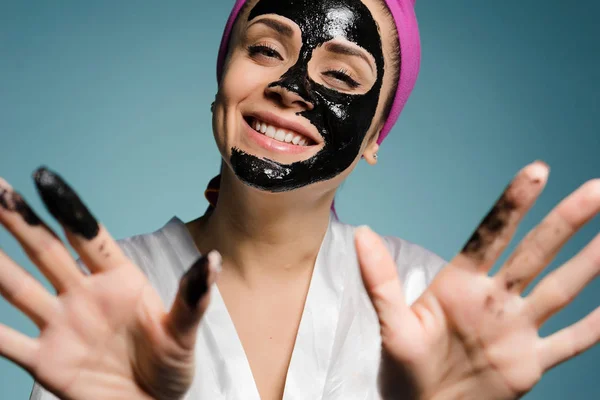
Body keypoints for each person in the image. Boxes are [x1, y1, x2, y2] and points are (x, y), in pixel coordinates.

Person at [0, 0, 597, 399]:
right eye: (265, 50)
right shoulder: (107, 295)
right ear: (221, 83)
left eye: (341, 77)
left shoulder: (430, 301)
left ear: (373, 135)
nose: (290, 87)